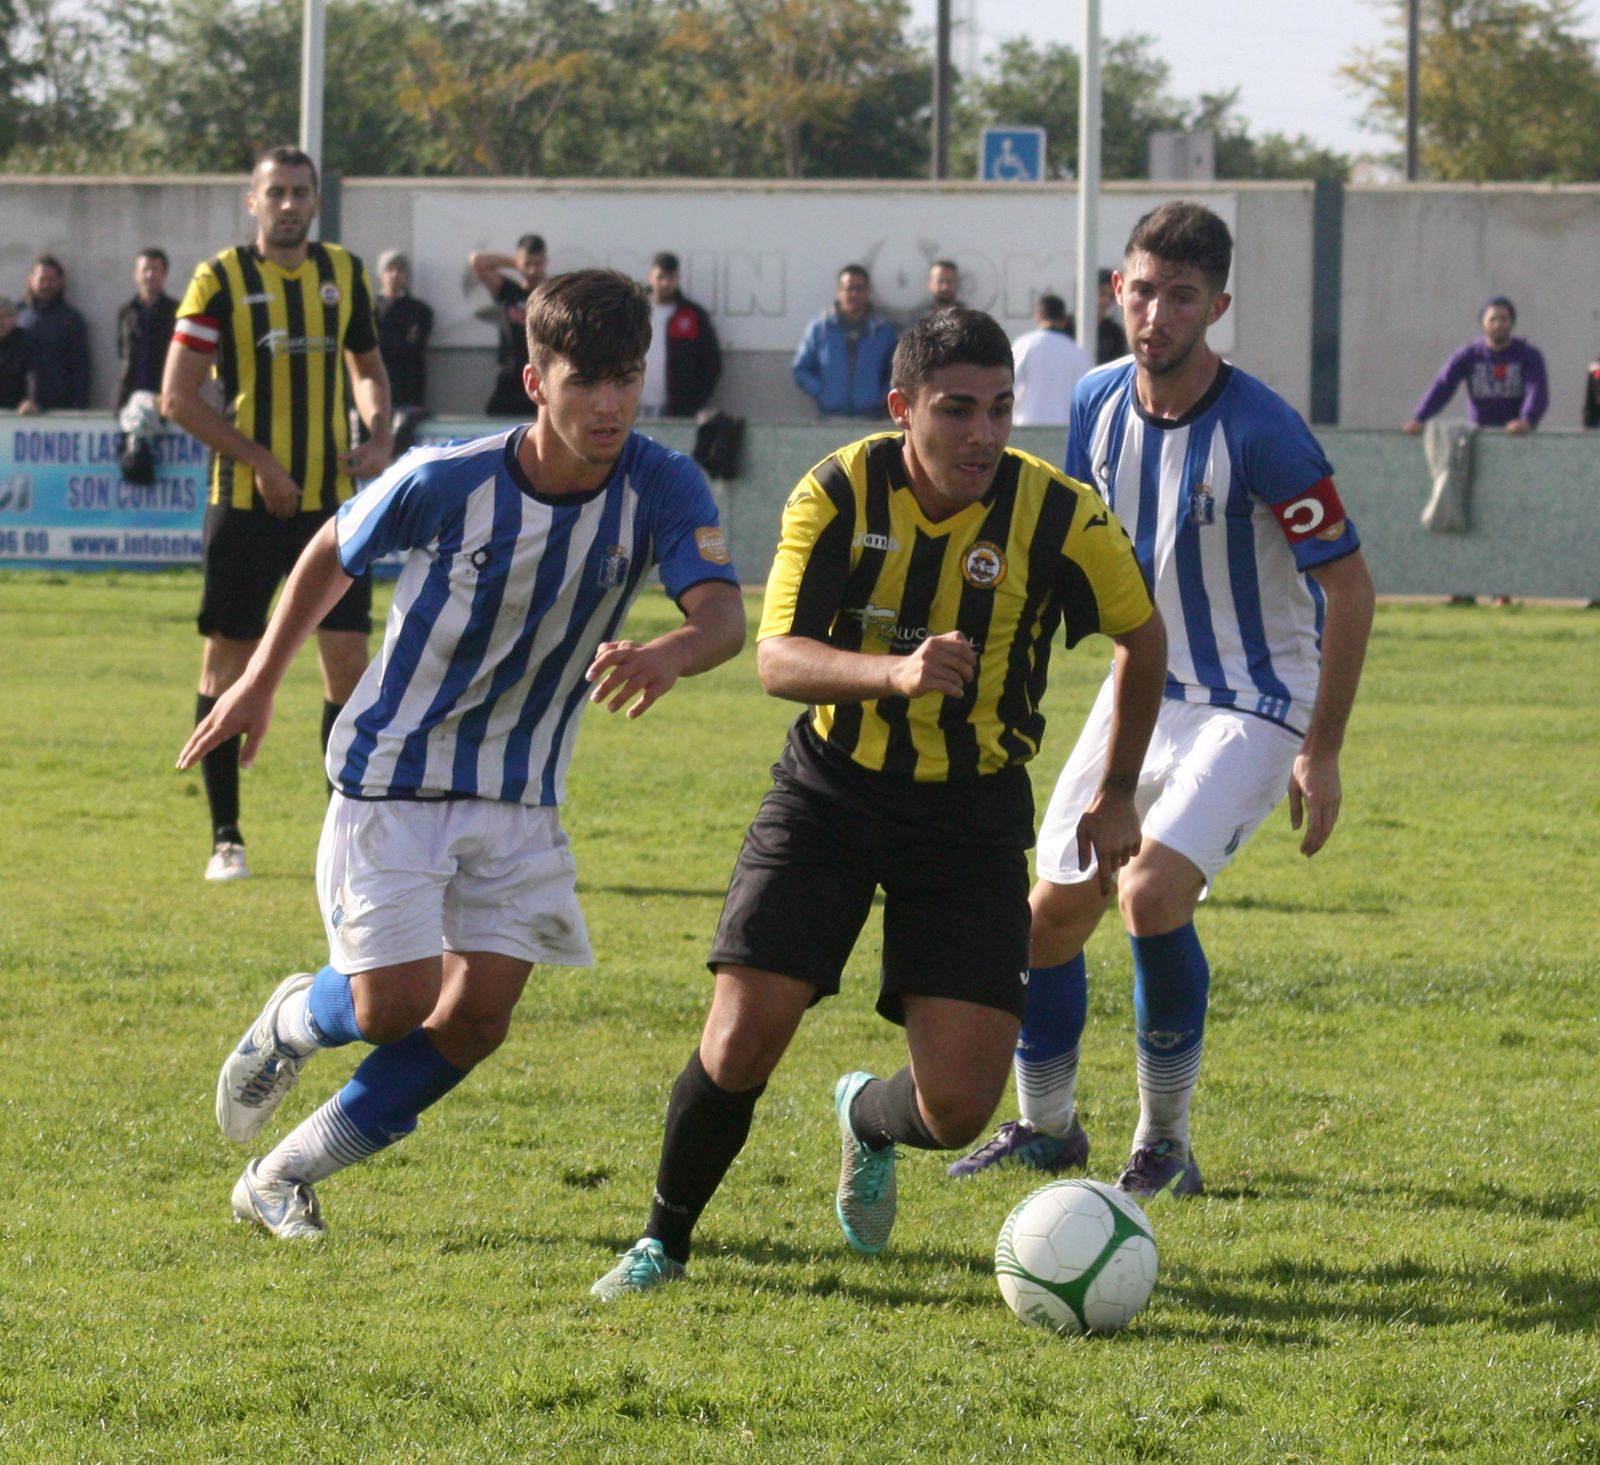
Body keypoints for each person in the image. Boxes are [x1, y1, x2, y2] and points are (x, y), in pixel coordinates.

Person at [590, 306, 1166, 1299]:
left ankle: (864, 1117)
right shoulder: (838, 488)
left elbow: (1142, 635)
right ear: (903, 408)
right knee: (741, 1032)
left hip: (973, 810)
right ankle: (660, 1242)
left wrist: (1115, 789)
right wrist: (892, 675)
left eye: (999, 410)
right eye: (956, 410)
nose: (984, 435)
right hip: (830, 791)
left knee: (956, 1106)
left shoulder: (1057, 512)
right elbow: (775, 658)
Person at [178, 268, 747, 1241]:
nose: (610, 402)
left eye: (626, 377)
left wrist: (670, 652)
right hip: (395, 770)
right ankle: (290, 1019)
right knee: (392, 1005)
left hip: (519, 793)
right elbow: (330, 549)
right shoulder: (448, 475)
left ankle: (280, 1176)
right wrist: (261, 678)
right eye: (586, 381)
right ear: (537, 383)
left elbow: (723, 618)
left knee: (479, 1016)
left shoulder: (662, 480)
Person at [950, 201, 1375, 1200]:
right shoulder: (1095, 401)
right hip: (1141, 686)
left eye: (1181, 296)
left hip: (1255, 700)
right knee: (1046, 916)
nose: (1156, 313)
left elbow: (1349, 586)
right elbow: (1072, 554)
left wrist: (1323, 748)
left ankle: (1165, 1147)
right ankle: (1047, 1129)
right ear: (1116, 292)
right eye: (1142, 290)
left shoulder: (1266, 432)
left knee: (1146, 893)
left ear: (1215, 306)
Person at [161, 145, 393, 883]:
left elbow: (367, 368)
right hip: (244, 502)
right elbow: (178, 396)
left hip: (332, 503)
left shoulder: (345, 274)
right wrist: (260, 461)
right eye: (277, 192)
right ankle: (226, 836)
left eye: (301, 192)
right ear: (252, 202)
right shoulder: (217, 280)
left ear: (316, 202)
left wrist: (380, 427)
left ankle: (344, 839)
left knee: (348, 662)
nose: (290, 204)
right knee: (229, 657)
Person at [1402, 296, 1547, 436]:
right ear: (1483, 323)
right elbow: (1443, 386)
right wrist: (1420, 418)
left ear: (1511, 322)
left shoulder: (1528, 355)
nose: (1498, 324)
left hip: (1515, 436)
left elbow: (1537, 390)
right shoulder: (1468, 355)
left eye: (1503, 319)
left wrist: (1527, 420)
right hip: (1479, 436)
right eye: (1492, 319)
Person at [792, 264, 898, 418]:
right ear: (839, 291)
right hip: (830, 417)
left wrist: (881, 396)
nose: (854, 294)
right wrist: (822, 392)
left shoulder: (883, 330)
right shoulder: (820, 328)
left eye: (859, 288)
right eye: (849, 288)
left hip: (871, 417)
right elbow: (801, 369)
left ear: (867, 292)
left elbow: (897, 371)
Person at [469, 234, 547, 417]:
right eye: (528, 264)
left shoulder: (550, 293)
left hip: (539, 376)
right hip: (509, 376)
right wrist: (515, 262)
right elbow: (477, 261)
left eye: (538, 264)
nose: (533, 270)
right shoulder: (509, 290)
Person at [638, 250, 721, 419]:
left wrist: (692, 402)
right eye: (660, 277)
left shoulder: (692, 315)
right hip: (632, 407)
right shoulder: (632, 312)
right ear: (650, 276)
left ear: (677, 279)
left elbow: (711, 363)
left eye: (671, 278)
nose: (665, 283)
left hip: (675, 411)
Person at [18, 255, 90, 410]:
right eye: (42, 279)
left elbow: (81, 369)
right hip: (17, 412)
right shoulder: (17, 318)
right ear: (31, 280)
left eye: (51, 279)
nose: (46, 284)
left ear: (61, 281)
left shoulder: (72, 320)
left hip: (60, 411)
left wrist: (78, 409)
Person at [1011, 293, 1092, 426]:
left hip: (1027, 425)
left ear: (1037, 316)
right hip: (1064, 430)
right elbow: (1086, 396)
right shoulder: (1076, 352)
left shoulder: (1025, 345)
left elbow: (1010, 383)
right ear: (1064, 319)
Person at [114, 248, 178, 410]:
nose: (150, 275)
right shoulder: (126, 312)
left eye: (155, 270)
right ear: (136, 274)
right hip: (129, 397)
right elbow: (122, 352)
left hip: (163, 397)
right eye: (145, 270)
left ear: (164, 274)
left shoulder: (176, 311)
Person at [373, 249, 433, 411]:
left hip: (408, 392)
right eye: (389, 269)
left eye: (400, 270)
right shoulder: (368, 310)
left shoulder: (419, 311)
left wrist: (383, 342)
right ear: (380, 275)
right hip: (375, 392)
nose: (394, 274)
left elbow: (412, 348)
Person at [0, 297, 40, 413]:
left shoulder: (27, 342)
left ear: (15, 318)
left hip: (16, 413)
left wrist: (31, 400)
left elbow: (34, 375)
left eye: (4, 316)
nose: (0, 322)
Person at [1096, 268, 1128, 365]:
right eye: (1102, 293)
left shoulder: (1114, 332)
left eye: (1111, 296)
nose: (1106, 301)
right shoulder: (1068, 325)